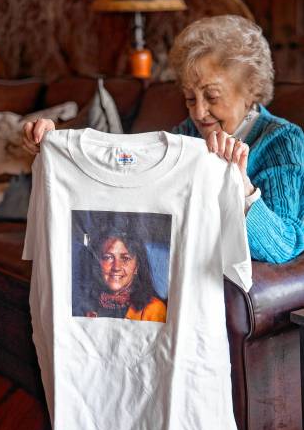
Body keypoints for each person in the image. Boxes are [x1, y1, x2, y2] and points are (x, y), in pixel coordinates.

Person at [23, 15, 304, 265]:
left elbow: (282, 246)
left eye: (212, 96)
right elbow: (127, 177)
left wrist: (241, 187)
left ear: (251, 90)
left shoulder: (281, 141)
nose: (199, 112)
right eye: (190, 98)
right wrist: (56, 146)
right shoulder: (187, 133)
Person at [82, 229, 167, 322]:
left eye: (126, 258)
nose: (116, 267)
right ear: (98, 264)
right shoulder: (84, 305)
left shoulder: (154, 310)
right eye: (108, 257)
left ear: (136, 267)